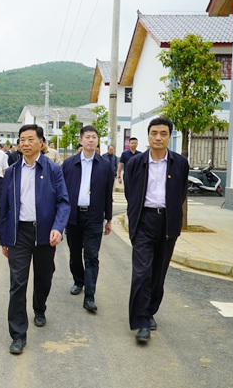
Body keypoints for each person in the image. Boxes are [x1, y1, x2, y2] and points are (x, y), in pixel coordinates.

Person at [0, 124, 70, 355]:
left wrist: (58, 228)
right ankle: (18, 335)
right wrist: (4, 237)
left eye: (31, 139)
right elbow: (5, 206)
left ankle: (39, 307)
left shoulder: (53, 169)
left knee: (43, 277)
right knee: (17, 283)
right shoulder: (12, 171)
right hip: (19, 233)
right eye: (22, 139)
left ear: (41, 142)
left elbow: (63, 202)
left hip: (45, 233)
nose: (26, 143)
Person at [124, 117, 189, 343]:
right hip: (144, 221)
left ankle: (150, 310)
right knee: (142, 273)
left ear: (169, 136)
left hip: (168, 223)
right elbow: (130, 193)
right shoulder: (136, 163)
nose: (158, 138)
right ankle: (141, 321)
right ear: (148, 136)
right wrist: (135, 217)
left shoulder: (180, 163)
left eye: (163, 133)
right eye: (154, 133)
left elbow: (181, 193)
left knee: (158, 272)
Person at [61, 125, 113, 312]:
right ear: (81, 140)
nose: (91, 140)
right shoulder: (69, 164)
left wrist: (109, 218)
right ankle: (78, 281)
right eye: (88, 137)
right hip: (73, 216)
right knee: (75, 254)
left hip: (94, 216)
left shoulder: (105, 166)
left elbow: (108, 194)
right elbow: (61, 192)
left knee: (91, 256)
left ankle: (90, 296)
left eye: (94, 137)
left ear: (98, 141)